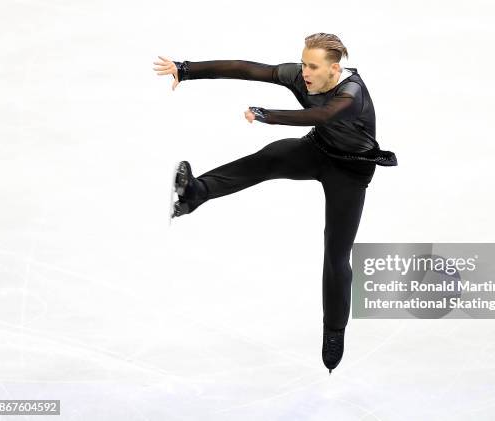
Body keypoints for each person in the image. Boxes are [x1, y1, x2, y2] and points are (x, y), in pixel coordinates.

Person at [153, 33, 397, 374]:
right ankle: (194, 194)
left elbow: (324, 115)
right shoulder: (299, 75)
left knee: (336, 252)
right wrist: (187, 69)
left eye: (313, 66)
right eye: (303, 63)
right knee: (271, 157)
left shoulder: (351, 94)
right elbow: (248, 69)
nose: (305, 72)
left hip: (351, 172)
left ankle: (334, 330)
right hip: (317, 150)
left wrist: (268, 115)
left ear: (334, 68)